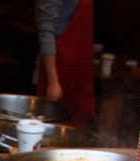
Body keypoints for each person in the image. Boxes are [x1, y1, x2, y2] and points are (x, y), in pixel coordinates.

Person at [35, 0, 95, 128]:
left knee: (80, 124)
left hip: (80, 70)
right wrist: (53, 82)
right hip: (60, 69)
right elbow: (46, 32)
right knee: (54, 124)